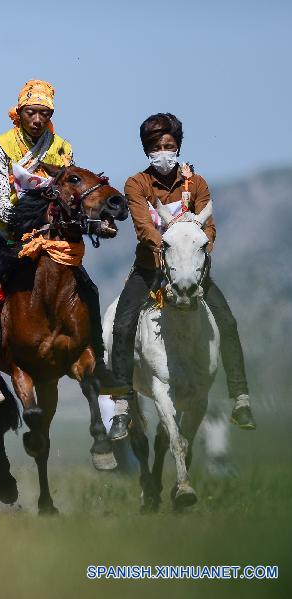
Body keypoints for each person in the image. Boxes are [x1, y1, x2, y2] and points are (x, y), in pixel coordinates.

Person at [0, 79, 122, 406]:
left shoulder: (63, 147)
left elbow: (71, 194)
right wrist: (24, 221)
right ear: (19, 113)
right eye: (31, 112)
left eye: (44, 113)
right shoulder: (1, 144)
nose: (37, 119)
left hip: (53, 239)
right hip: (10, 235)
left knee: (88, 289)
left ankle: (99, 365)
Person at [107, 113, 254, 440]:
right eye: (157, 147)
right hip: (151, 268)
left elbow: (209, 225)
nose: (164, 152)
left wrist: (201, 247)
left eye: (170, 145)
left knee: (227, 321)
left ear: (178, 146)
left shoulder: (196, 183)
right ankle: (121, 404)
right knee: (123, 322)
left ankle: (240, 397)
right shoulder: (137, 184)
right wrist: (167, 249)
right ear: (148, 151)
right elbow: (144, 226)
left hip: (193, 271)